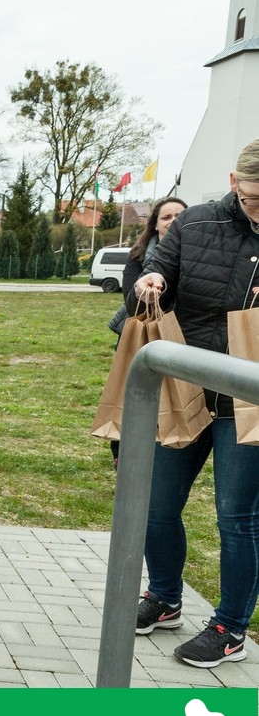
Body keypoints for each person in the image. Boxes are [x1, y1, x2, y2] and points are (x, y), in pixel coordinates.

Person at [128, 138, 259, 668]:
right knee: (155, 507)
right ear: (234, 183)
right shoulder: (196, 222)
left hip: (248, 400)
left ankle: (230, 627)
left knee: (236, 517)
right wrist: (151, 281)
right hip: (185, 389)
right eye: (255, 198)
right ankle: (164, 598)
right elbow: (151, 275)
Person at [105, 196, 189, 465]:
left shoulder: (196, 254)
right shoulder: (138, 255)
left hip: (179, 336)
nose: (173, 221)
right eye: (166, 217)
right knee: (131, 393)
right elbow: (131, 300)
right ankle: (121, 451)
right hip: (140, 335)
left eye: (179, 216)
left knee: (171, 395)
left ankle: (168, 445)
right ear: (155, 224)